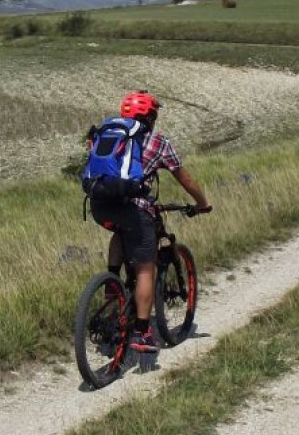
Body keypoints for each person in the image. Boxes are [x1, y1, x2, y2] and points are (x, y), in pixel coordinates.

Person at [88, 90, 211, 354]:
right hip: (135, 210)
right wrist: (202, 203)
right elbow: (184, 178)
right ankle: (143, 332)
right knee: (146, 268)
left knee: (120, 232)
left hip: (100, 205)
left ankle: (112, 284)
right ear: (150, 117)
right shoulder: (158, 142)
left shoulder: (110, 134)